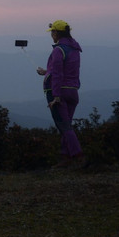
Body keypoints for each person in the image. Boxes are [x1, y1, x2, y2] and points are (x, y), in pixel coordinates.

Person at [36, 19, 84, 167]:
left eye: (52, 32)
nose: (51, 35)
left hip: (59, 92)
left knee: (64, 126)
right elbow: (65, 70)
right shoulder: (74, 49)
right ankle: (65, 158)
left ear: (56, 33)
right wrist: (46, 72)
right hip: (73, 91)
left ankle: (78, 156)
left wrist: (56, 96)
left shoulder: (58, 50)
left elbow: (57, 74)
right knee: (66, 125)